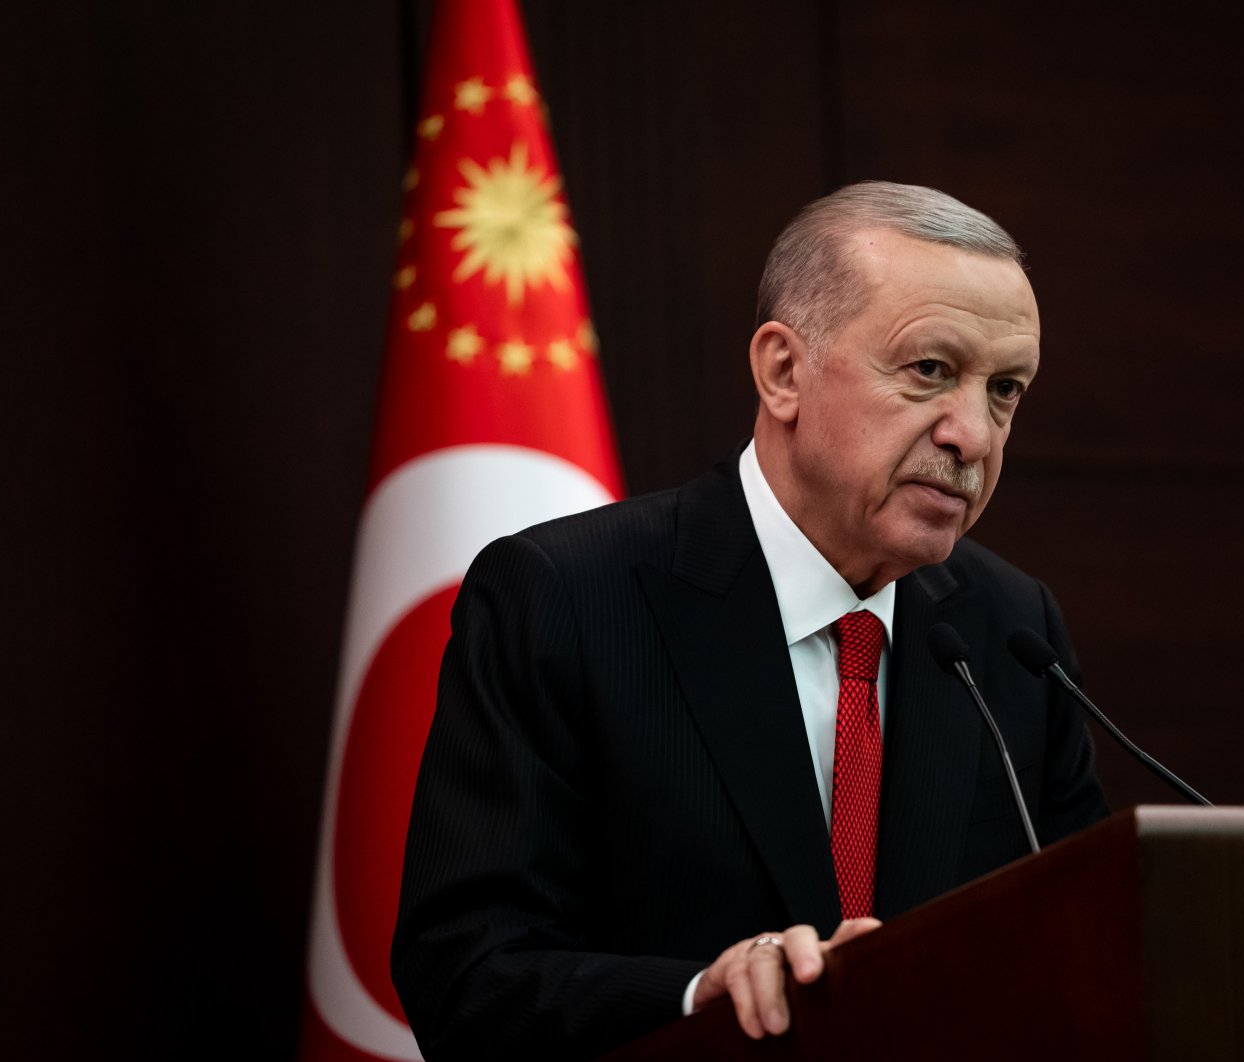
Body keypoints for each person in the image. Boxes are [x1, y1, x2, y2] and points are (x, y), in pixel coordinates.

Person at [391, 181, 1109, 1060]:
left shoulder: (1011, 632)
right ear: (782, 372)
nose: (973, 435)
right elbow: (465, 974)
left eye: (1005, 390)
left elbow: (1091, 957)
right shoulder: (565, 598)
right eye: (930, 370)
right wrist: (701, 994)